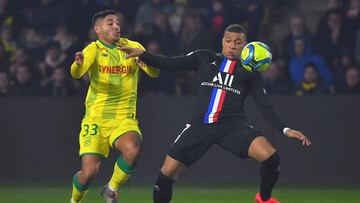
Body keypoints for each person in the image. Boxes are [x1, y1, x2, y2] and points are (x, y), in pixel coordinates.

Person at [120, 24, 311, 203]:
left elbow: (264, 106)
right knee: (167, 173)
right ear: (222, 41)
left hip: (232, 127)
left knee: (271, 157)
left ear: (245, 46)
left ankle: (264, 198)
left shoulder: (250, 72)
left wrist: (286, 129)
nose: (232, 46)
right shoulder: (204, 57)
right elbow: (171, 63)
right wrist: (144, 55)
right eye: (228, 40)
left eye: (238, 42)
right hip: (199, 126)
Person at [69, 10, 159, 203]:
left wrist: (146, 61)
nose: (116, 26)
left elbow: (154, 73)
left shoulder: (132, 46)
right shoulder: (93, 49)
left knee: (132, 149)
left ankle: (111, 189)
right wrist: (78, 64)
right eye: (110, 23)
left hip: (123, 117)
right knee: (89, 173)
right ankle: (75, 200)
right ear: (98, 29)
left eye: (117, 23)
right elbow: (76, 73)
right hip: (96, 118)